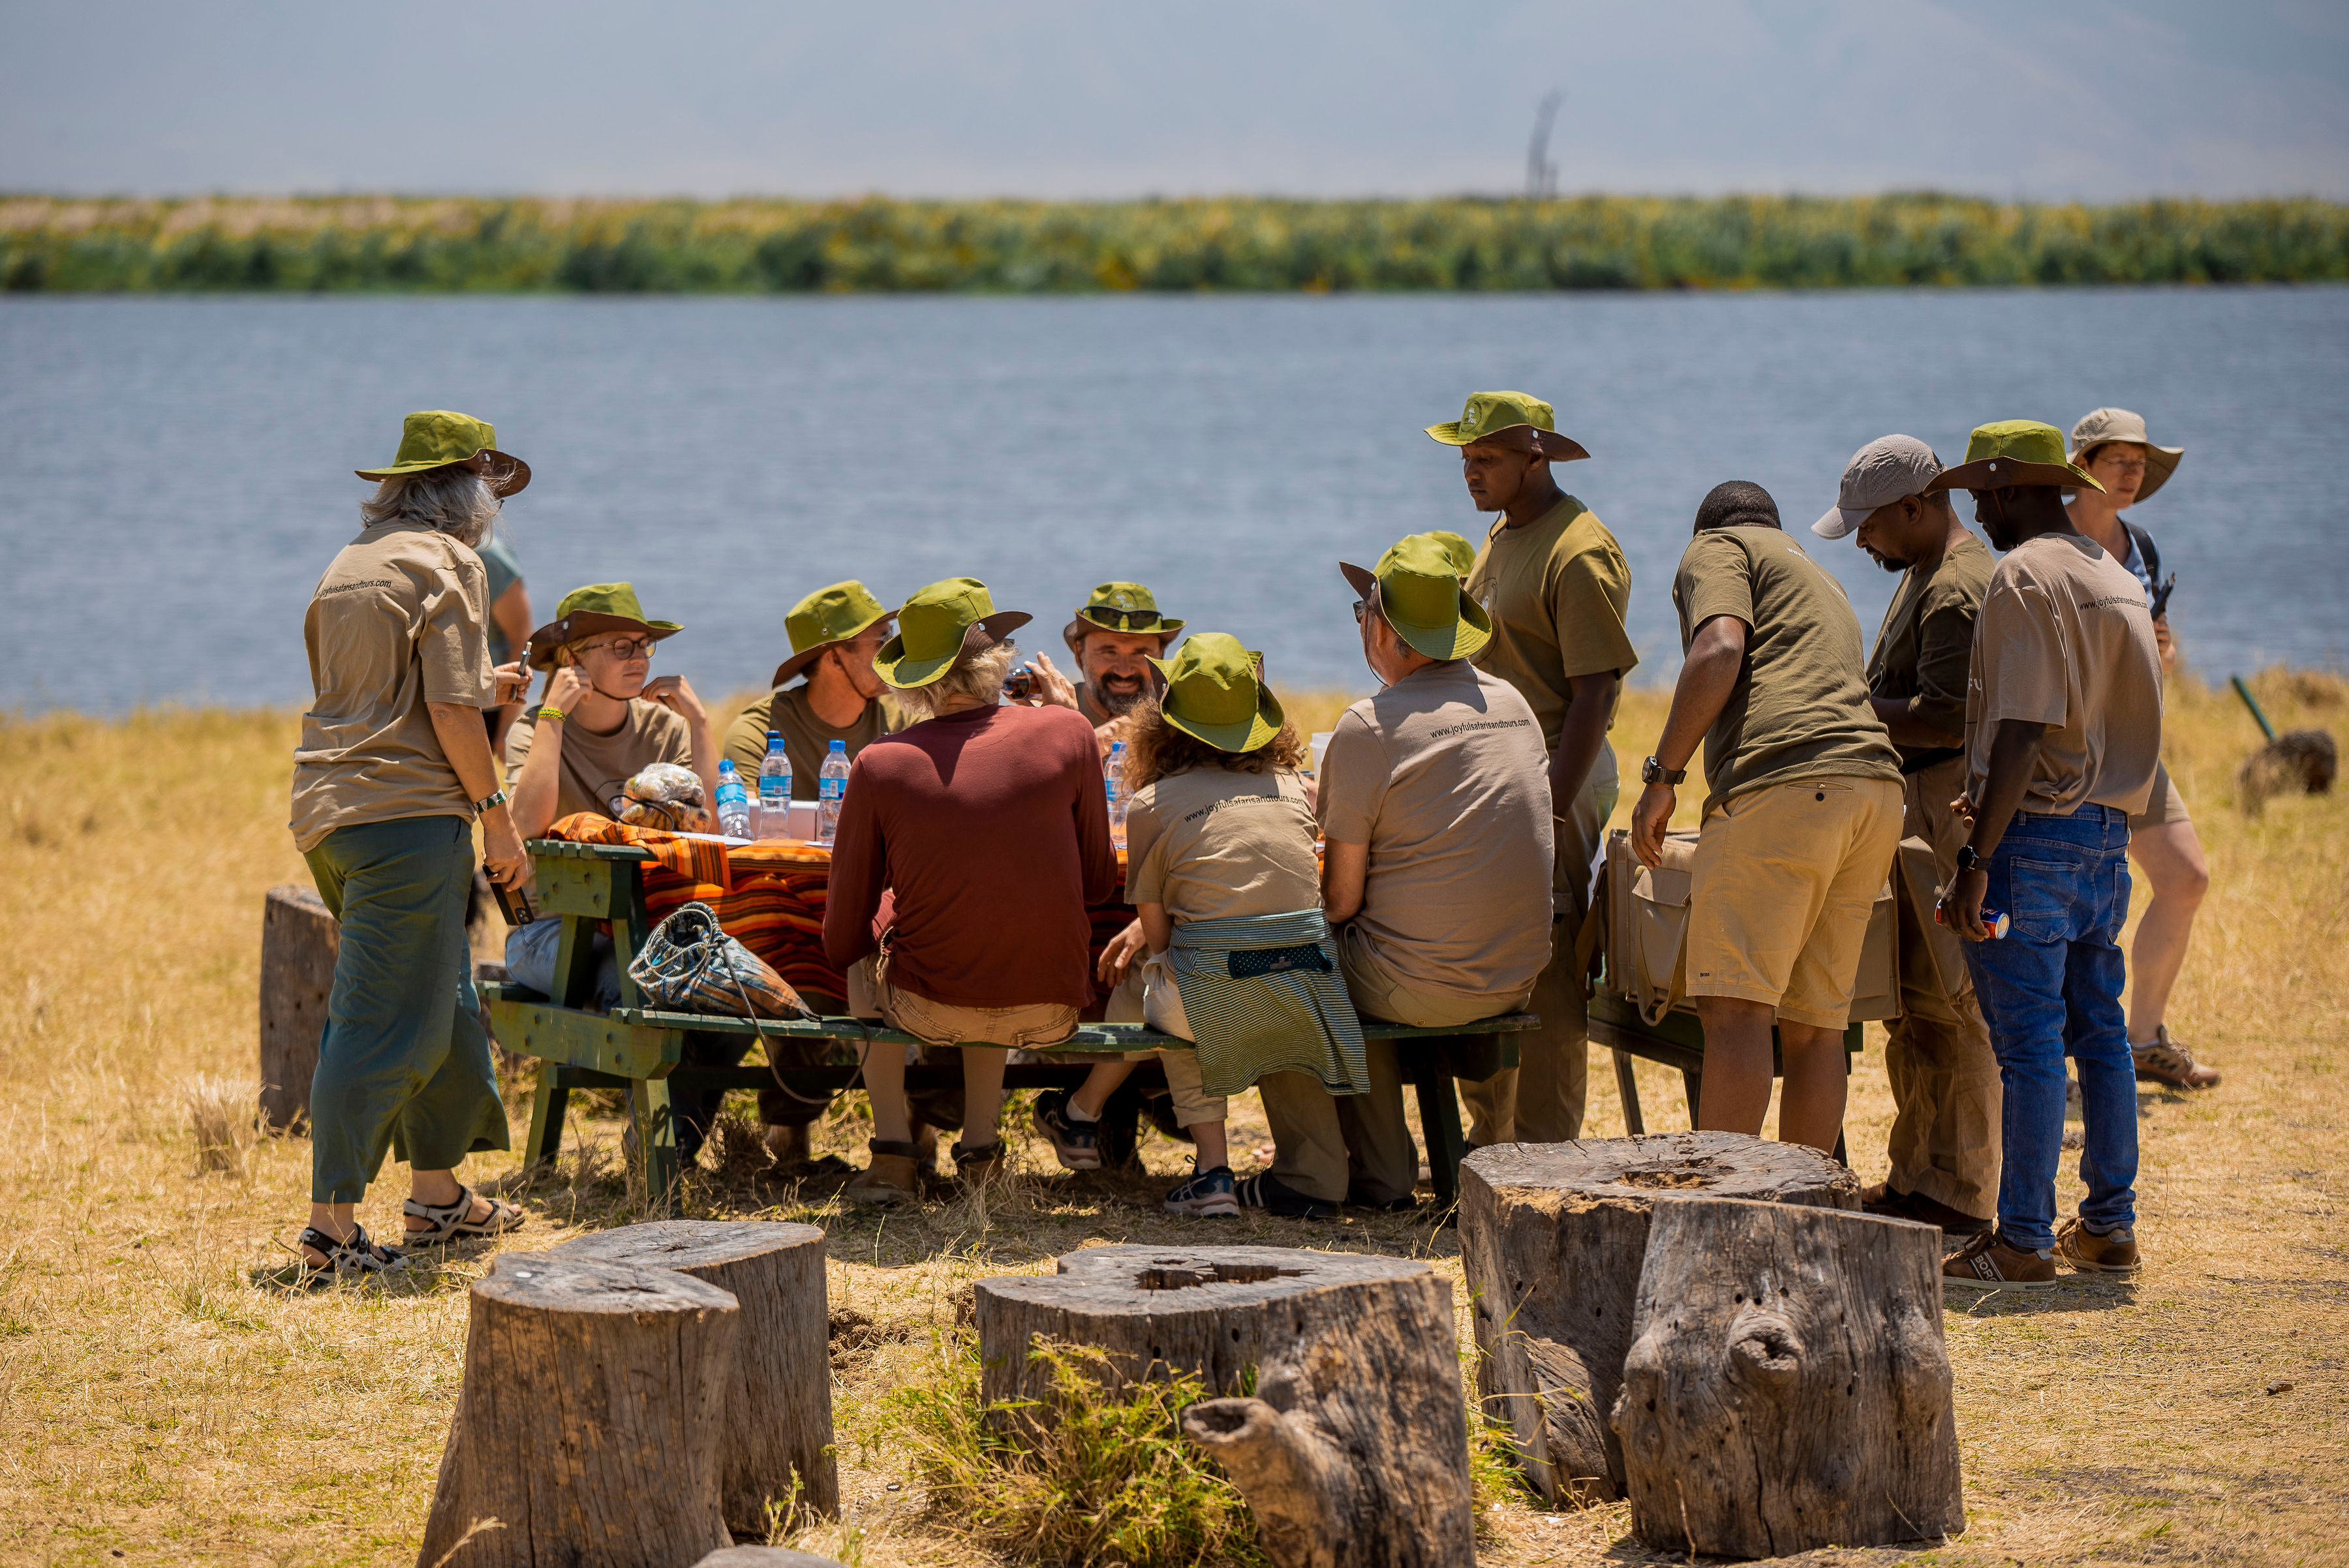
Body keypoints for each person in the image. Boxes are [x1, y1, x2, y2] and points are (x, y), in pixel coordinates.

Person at [286, 409, 532, 1274]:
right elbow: (449, 711)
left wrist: (484, 683)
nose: (492, 512)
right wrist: (497, 814)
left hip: (332, 811)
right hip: (407, 820)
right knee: (382, 1013)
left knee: (446, 995)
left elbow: (380, 693)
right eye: (490, 493)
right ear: (465, 495)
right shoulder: (451, 562)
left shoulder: (349, 563)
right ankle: (331, 1229)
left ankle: (438, 1194)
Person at [1250, 535, 1554, 1217]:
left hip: (1424, 984)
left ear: (1383, 628)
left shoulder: (1370, 724)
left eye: (1362, 610)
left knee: (1280, 964)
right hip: (1516, 973)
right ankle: (1383, 1169)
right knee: (1378, 948)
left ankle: (1319, 1173)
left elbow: (1340, 899)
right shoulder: (1513, 702)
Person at [1932, 420, 2164, 1289]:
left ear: (2005, 490)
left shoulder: (2024, 573)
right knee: (2101, 1033)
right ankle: (2109, 1227)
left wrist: (1974, 855)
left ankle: (2024, 1238)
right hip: (2108, 837)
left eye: (1979, 495)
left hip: (2034, 840)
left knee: (2028, 1043)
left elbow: (2027, 727)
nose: (1976, 512)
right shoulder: (2113, 571)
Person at [1032, 634, 1360, 1218]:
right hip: (1307, 990)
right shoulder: (1296, 789)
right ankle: (1094, 1123)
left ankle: (1137, 1137)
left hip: (1214, 991)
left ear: (1168, 718)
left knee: (1169, 979)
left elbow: (1159, 939)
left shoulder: (1152, 802)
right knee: (1190, 979)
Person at [823, 577, 1119, 1207]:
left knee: (869, 945)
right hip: (1051, 1006)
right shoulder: (1070, 732)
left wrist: (889, 912)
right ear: (998, 658)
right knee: (989, 930)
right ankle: (981, 1154)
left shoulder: (880, 762)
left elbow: (840, 934)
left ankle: (893, 1156)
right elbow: (1098, 884)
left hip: (933, 1008)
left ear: (914, 679)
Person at [1631, 482, 1903, 1153]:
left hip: (1785, 786)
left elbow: (1720, 647)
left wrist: (1663, 777)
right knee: (1816, 1025)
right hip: (1874, 792)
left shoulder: (1717, 548)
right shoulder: (1818, 575)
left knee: (1735, 1012)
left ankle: (1724, 1215)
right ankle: (1804, 1209)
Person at [1427, 390, 1636, 1146]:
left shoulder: (1577, 549)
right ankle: (1493, 1142)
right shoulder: (1503, 532)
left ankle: (1548, 1151)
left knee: (1549, 962)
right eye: (1465, 459)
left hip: (1557, 773)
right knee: (1494, 954)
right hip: (1503, 777)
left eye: (1486, 458)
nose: (1470, 472)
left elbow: (1597, 691)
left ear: (1534, 457)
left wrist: (1549, 805)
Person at [1812, 436, 2000, 1238]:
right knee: (1915, 1006)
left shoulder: (1956, 589)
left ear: (1916, 508)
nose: (1861, 541)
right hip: (1916, 802)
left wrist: (1840, 708)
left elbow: (1942, 715)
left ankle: (1958, 1196)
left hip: (1939, 802)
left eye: (1870, 525)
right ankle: (1918, 1175)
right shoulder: (1929, 574)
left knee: (1954, 1006)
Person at [500, 583, 729, 1160]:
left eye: (645, 646)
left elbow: (703, 833)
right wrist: (553, 714)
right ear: (573, 659)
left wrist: (701, 727)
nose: (639, 659)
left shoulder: (664, 728)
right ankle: (657, 1153)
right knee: (649, 983)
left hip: (649, 922)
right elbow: (523, 830)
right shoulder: (535, 729)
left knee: (723, 988)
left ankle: (669, 1149)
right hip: (550, 931)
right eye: (620, 646)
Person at [2066, 407, 2218, 1090]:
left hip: (2133, 747)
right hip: (2066, 752)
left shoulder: (2142, 546)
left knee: (2187, 878)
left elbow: (2159, 649)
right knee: (2068, 907)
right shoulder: (2046, 543)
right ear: (2083, 467)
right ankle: (2051, 1057)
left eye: (2140, 463)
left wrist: (2167, 653)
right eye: (2119, 460)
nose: (2133, 473)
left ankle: (2143, 1039)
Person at [720, 579, 900, 792]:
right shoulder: (758, 735)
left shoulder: (907, 721)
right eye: (883, 640)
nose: (894, 650)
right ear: (834, 659)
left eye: (893, 634)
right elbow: (745, 819)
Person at [1060, 581, 1185, 739]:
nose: (1124, 671)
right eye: (1109, 652)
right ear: (1079, 654)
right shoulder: (1052, 721)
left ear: (1161, 655)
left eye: (1140, 654)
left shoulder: (1182, 730)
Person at [476, 525, 534, 749]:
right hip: (443, 701)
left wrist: (506, 731)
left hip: (490, 709)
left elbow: (521, 638)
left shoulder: (487, 555)